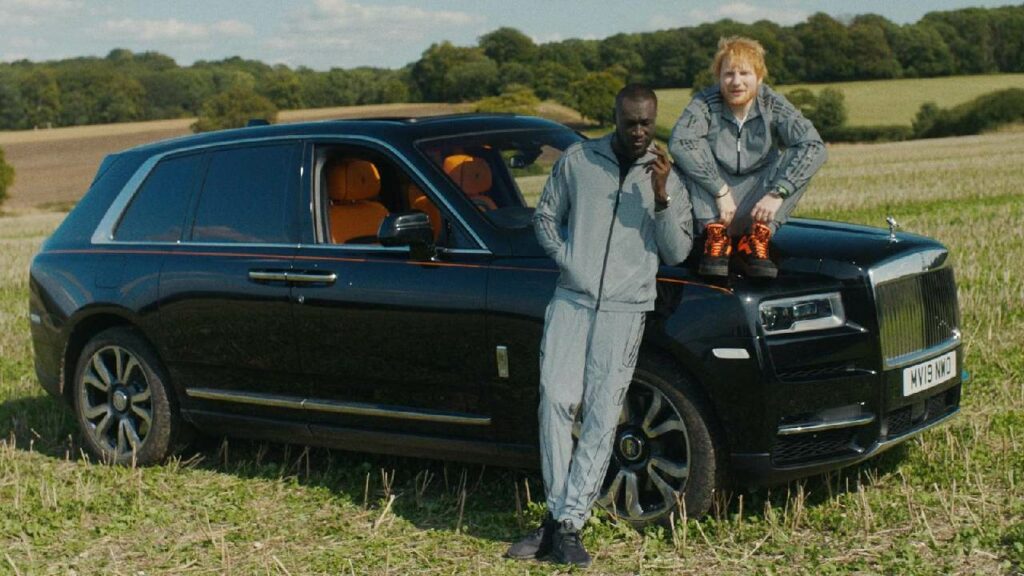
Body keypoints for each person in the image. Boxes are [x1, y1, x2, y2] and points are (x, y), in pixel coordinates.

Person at [508, 84, 693, 568]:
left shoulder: (667, 177)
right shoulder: (578, 162)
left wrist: (661, 199)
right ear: (615, 116)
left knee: (601, 412)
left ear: (655, 120)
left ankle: (568, 524)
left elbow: (676, 251)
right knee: (555, 400)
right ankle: (555, 514)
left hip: (626, 308)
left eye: (646, 124)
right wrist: (569, 261)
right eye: (630, 122)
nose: (638, 132)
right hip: (572, 299)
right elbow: (546, 217)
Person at [669, 36, 827, 279]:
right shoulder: (705, 103)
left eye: (745, 73)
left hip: (760, 205)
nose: (736, 82)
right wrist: (719, 190)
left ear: (759, 77)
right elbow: (679, 142)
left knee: (802, 158)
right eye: (728, 74)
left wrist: (778, 193)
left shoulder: (773, 104)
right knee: (687, 153)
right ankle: (716, 238)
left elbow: (814, 145)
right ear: (719, 77)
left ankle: (756, 240)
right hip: (713, 205)